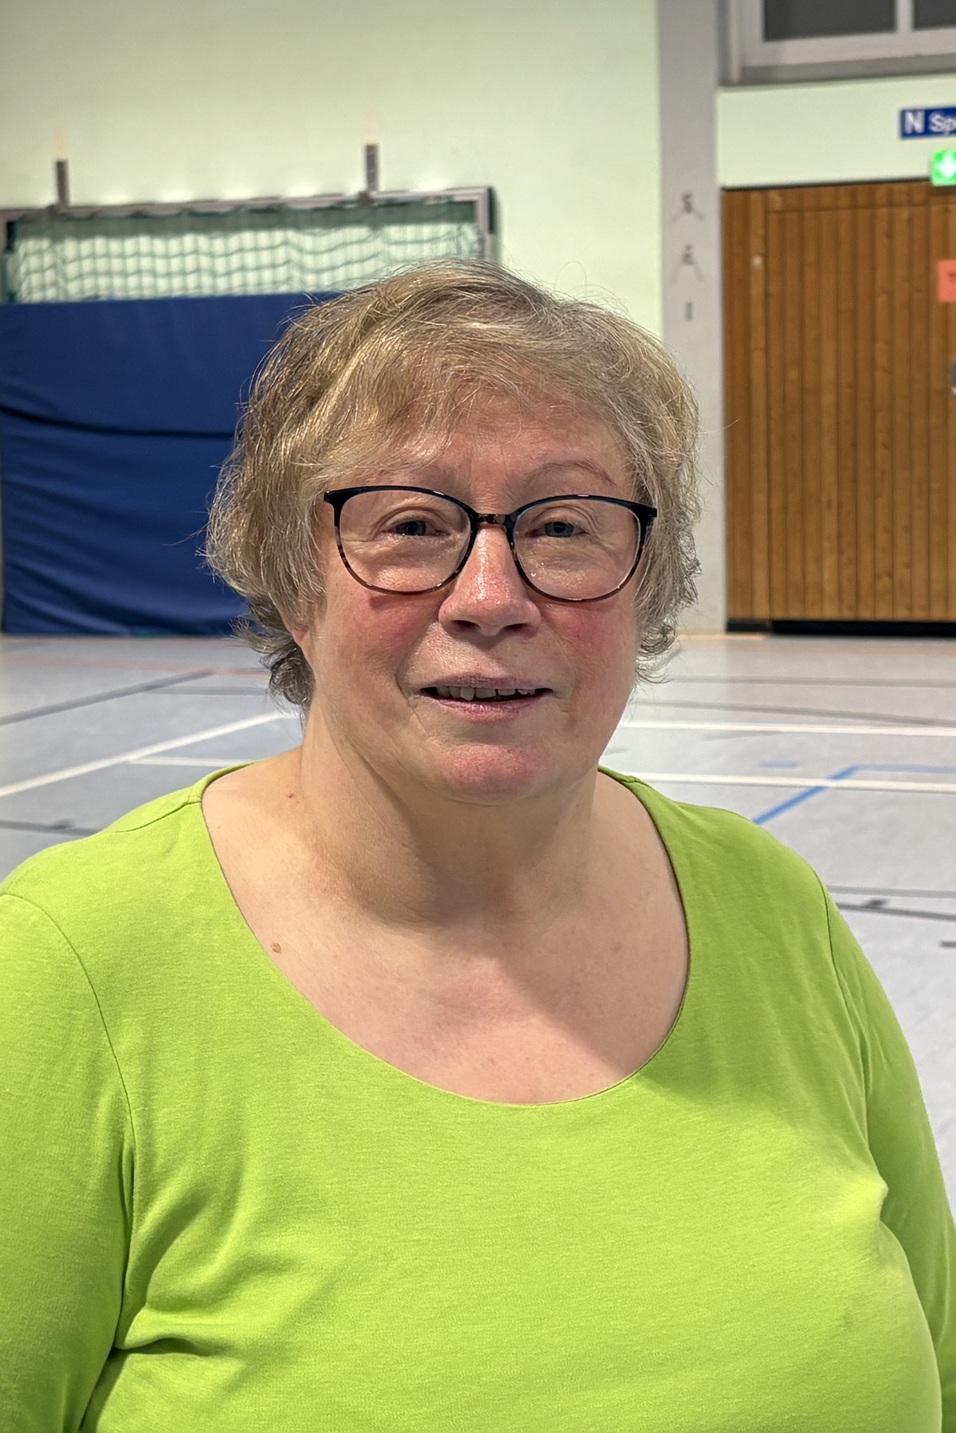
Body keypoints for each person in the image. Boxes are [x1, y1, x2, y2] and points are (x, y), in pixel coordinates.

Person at [0, 259, 952, 1432]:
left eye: (561, 524)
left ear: (643, 585)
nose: (489, 592)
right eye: (409, 524)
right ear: (293, 578)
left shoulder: (772, 909)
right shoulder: (67, 973)